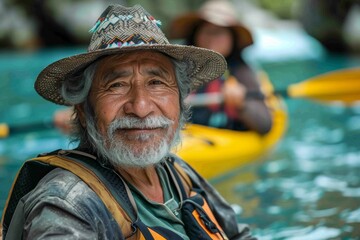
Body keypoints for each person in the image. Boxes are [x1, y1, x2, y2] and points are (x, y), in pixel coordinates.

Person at [1, 4, 256, 240]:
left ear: (180, 100)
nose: (141, 108)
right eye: (117, 85)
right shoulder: (66, 205)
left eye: (156, 83)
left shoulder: (177, 173)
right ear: (82, 108)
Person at [168, 0, 273, 134]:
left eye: (219, 32)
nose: (212, 39)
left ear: (232, 39)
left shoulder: (242, 72)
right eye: (207, 31)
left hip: (223, 138)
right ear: (196, 35)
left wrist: (242, 104)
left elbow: (265, 125)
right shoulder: (178, 66)